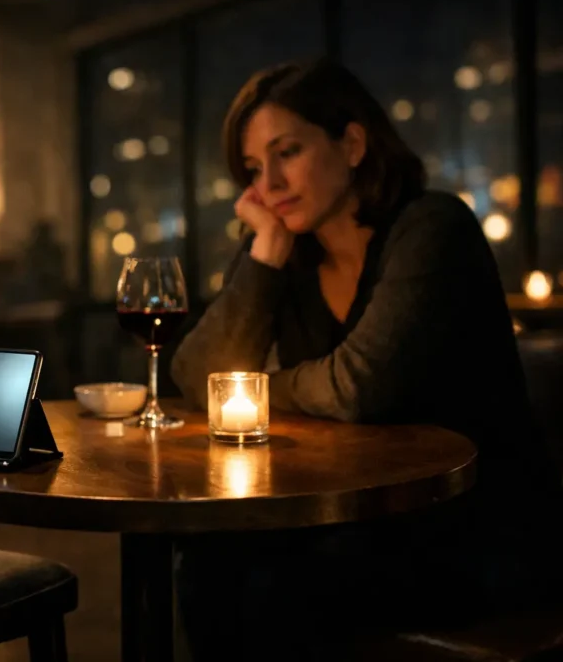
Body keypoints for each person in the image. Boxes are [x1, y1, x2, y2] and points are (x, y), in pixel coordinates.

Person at [170, 58, 562, 660]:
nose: (268, 183)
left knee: (278, 588)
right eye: (253, 168)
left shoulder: (433, 227)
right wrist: (266, 254)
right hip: (356, 522)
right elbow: (197, 379)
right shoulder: (285, 255)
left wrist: (260, 387)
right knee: (206, 563)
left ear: (352, 144)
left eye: (287, 152)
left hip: (472, 528)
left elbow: (359, 387)